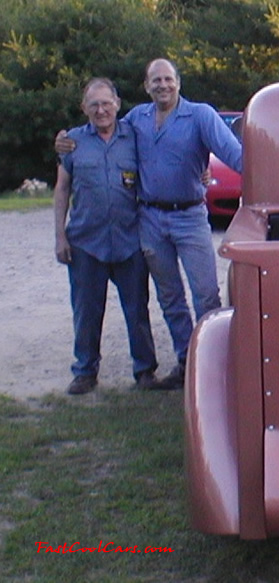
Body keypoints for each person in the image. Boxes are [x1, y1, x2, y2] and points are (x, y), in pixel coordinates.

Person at [58, 59, 243, 390]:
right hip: (150, 220)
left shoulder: (200, 115)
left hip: (189, 217)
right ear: (146, 86)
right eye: (155, 80)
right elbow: (97, 137)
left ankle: (217, 364)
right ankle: (187, 362)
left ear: (178, 82)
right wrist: (62, 142)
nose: (162, 85)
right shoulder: (135, 120)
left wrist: (267, 169)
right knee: (169, 298)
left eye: (168, 79)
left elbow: (235, 156)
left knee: (205, 295)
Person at [54, 78, 158, 395]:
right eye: (94, 104)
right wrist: (60, 237)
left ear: (117, 104)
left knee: (137, 310)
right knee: (86, 311)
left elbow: (165, 159)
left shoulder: (135, 137)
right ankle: (85, 371)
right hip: (86, 242)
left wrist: (202, 171)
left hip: (129, 240)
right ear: (84, 108)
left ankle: (145, 371)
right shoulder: (72, 142)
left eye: (106, 103)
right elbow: (62, 189)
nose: (101, 110)